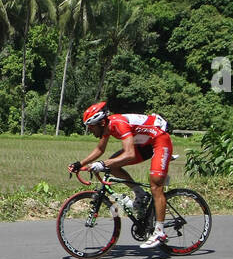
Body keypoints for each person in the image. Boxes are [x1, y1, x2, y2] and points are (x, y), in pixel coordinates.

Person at [69, 102, 173, 249]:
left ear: (101, 122)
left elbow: (129, 154)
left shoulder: (118, 124)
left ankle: (160, 232)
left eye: (92, 127)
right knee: (113, 165)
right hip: (145, 142)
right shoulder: (108, 126)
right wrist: (80, 163)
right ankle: (140, 194)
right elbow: (100, 149)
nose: (90, 130)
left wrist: (103, 164)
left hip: (160, 140)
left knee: (156, 185)